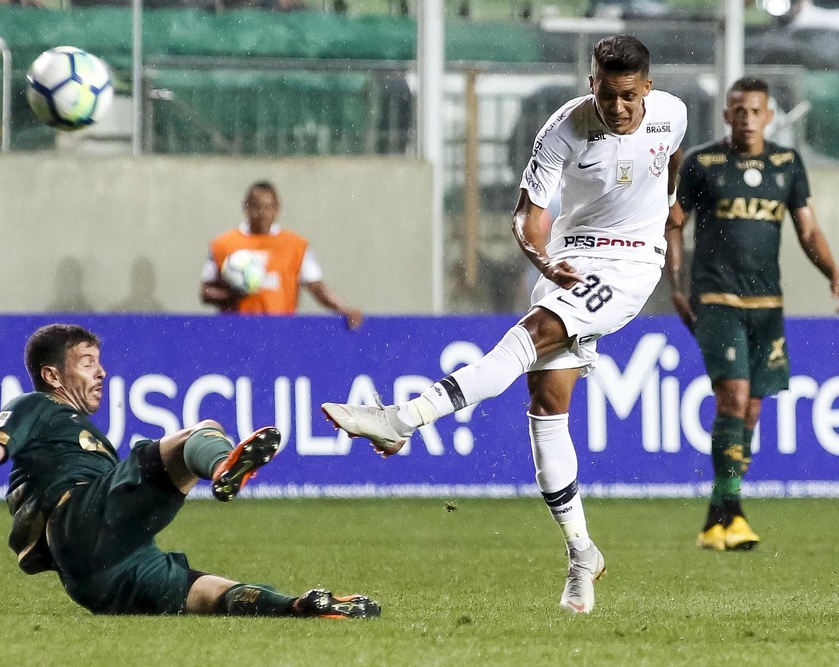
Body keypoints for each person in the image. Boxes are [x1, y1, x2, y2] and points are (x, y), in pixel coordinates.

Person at [323, 35, 686, 615]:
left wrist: (670, 208)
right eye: (604, 92)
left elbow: (670, 161)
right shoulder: (563, 129)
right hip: (569, 258)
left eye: (627, 96)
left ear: (646, 86)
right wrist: (545, 262)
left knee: (535, 334)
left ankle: (403, 418)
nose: (616, 108)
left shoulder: (672, 113)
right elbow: (526, 217)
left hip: (632, 266)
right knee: (546, 404)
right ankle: (581, 554)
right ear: (591, 80)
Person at [0, 324, 380, 619]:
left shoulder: (81, 434)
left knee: (209, 592)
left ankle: (302, 606)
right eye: (87, 362)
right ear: (52, 376)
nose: (101, 372)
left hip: (97, 576)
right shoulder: (33, 406)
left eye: (99, 361)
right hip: (81, 520)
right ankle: (222, 466)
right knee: (198, 433)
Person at [667, 77, 839, 552]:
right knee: (734, 396)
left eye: (755, 111)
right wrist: (677, 284)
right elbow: (674, 225)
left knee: (754, 407)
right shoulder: (704, 163)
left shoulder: (787, 164)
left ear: (769, 115)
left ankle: (716, 519)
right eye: (738, 110)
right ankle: (736, 513)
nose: (746, 118)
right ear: (726, 115)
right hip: (717, 297)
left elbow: (807, 230)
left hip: (768, 303)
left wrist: (833, 271)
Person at [200, 181, 363, 329]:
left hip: (280, 332)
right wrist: (231, 295)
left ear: (277, 208)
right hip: (235, 330)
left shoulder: (296, 246)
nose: (262, 213)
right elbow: (206, 292)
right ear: (246, 207)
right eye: (257, 207)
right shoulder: (222, 244)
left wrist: (344, 309)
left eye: (268, 207)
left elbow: (317, 288)